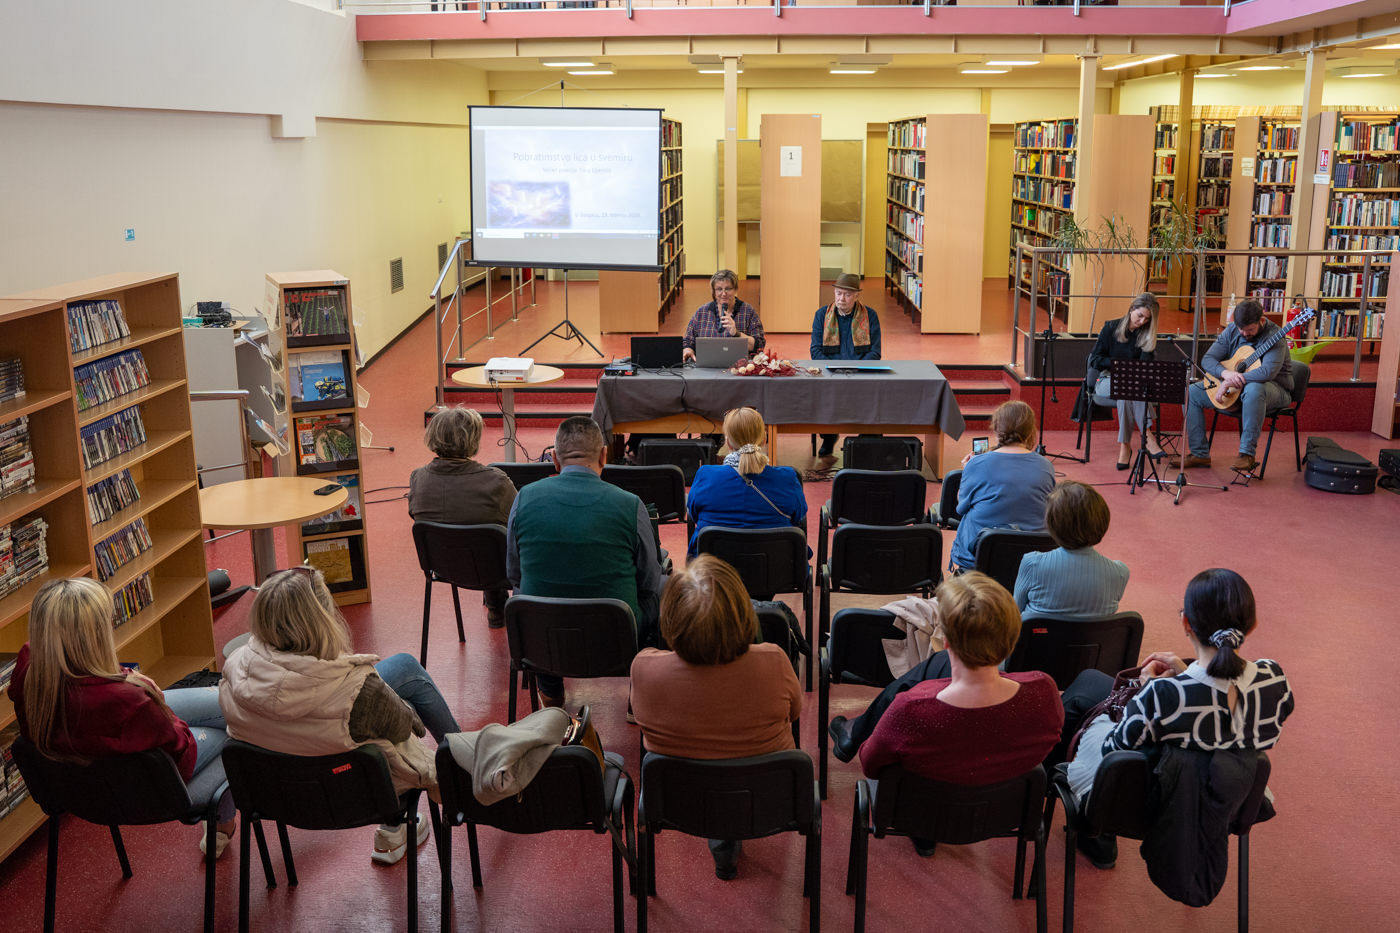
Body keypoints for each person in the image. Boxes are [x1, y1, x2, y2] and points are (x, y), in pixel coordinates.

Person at [219, 567, 460, 866]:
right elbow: (407, 729)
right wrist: (393, 701)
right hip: (358, 797)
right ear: (321, 619)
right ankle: (461, 770)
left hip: (278, 797)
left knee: (396, 678)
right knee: (404, 680)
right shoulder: (362, 692)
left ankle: (403, 823)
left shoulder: (234, 671)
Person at [1063, 568, 1294, 869]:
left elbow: (1113, 749)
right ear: (1253, 625)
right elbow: (1223, 710)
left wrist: (1145, 689)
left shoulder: (1163, 695)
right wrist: (1186, 675)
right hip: (1232, 801)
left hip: (1154, 804)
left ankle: (1082, 820)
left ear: (1186, 622)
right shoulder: (1274, 678)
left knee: (1092, 709)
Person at [8, 578, 236, 858]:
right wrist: (150, 693)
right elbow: (182, 751)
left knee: (227, 702)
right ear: (94, 637)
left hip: (79, 786)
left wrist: (131, 683)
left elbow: (93, 682)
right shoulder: (130, 701)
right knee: (235, 721)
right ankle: (222, 822)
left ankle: (221, 824)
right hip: (149, 789)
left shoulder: (28, 669)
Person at [858, 572, 1063, 853]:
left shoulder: (911, 708)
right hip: (1006, 813)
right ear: (1012, 637)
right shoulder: (1043, 692)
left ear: (946, 641)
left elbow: (870, 764)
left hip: (918, 812)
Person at [630, 555, 802, 880]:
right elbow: (794, 714)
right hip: (768, 799)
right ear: (744, 615)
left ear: (671, 620)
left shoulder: (645, 669)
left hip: (680, 803)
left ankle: (722, 840)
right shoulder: (774, 662)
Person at [507, 416, 664, 707]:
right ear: (604, 455)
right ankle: (637, 698)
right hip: (616, 638)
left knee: (528, 596)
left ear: (555, 460)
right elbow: (649, 583)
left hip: (542, 637)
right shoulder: (631, 505)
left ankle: (551, 694)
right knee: (663, 588)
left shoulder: (524, 498)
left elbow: (514, 574)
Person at [408, 406, 517, 626]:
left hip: (443, 567)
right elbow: (519, 522)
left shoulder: (417, 478)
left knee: (478, 532)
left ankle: (495, 605)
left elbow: (414, 513)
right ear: (473, 439)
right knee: (497, 534)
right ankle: (508, 609)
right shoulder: (496, 481)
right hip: (495, 571)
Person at [1169, 298, 1294, 474]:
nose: (1244, 333)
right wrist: (1226, 374)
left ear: (1262, 320)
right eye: (1241, 329)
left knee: (1254, 389)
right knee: (1191, 392)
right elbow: (1208, 359)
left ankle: (1246, 455)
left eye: (1249, 330)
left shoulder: (1275, 336)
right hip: (1238, 389)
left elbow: (1267, 373)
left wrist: (1231, 381)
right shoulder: (1233, 330)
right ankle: (1199, 454)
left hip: (1274, 389)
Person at [947, 400, 1056, 572]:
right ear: (1031, 431)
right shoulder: (1046, 466)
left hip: (980, 558)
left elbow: (961, 508)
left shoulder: (976, 464)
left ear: (997, 429)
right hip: (1033, 558)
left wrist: (968, 470)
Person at [686, 406, 807, 560]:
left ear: (728, 442)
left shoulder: (706, 476)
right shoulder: (788, 478)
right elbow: (798, 517)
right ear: (764, 439)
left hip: (713, 571)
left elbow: (694, 514)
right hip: (778, 568)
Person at [1014, 481, 1128, 621]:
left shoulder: (1032, 564)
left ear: (1051, 524)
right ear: (1103, 520)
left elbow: (1014, 613)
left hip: (1038, 635)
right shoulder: (1120, 573)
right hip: (1094, 636)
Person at [1086, 292, 1164, 469]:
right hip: (1106, 380)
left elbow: (1145, 368)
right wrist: (1119, 365)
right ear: (1131, 309)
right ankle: (1147, 435)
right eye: (1140, 315)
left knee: (1126, 393)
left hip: (1132, 384)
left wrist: (1132, 372)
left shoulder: (1146, 334)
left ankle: (1125, 446)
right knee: (1128, 387)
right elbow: (1095, 360)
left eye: (1147, 319)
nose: (1142, 321)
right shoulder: (1110, 327)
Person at [809, 272, 882, 459]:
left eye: (847, 294)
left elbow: (875, 352)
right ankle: (829, 436)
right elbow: (815, 351)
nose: (842, 298)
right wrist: (834, 370)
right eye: (839, 293)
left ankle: (867, 437)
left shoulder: (870, 316)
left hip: (860, 373)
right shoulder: (821, 315)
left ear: (857, 296)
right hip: (830, 373)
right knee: (822, 392)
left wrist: (856, 370)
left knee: (874, 392)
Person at [681, 269, 765, 363]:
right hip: (707, 366)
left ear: (735, 289)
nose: (724, 294)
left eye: (728, 289)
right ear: (713, 291)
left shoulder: (748, 312)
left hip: (739, 367)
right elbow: (688, 340)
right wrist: (688, 349)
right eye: (719, 289)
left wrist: (736, 334)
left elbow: (759, 346)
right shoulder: (702, 312)